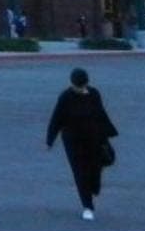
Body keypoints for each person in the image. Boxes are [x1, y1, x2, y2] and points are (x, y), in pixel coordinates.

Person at [45, 66, 120, 222]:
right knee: (80, 173)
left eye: (82, 86)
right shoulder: (66, 97)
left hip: (94, 138)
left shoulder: (94, 94)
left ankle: (94, 186)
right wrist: (50, 140)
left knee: (95, 167)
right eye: (77, 86)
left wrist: (108, 134)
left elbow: (100, 114)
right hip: (73, 141)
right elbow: (56, 119)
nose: (80, 89)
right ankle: (88, 207)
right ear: (72, 84)